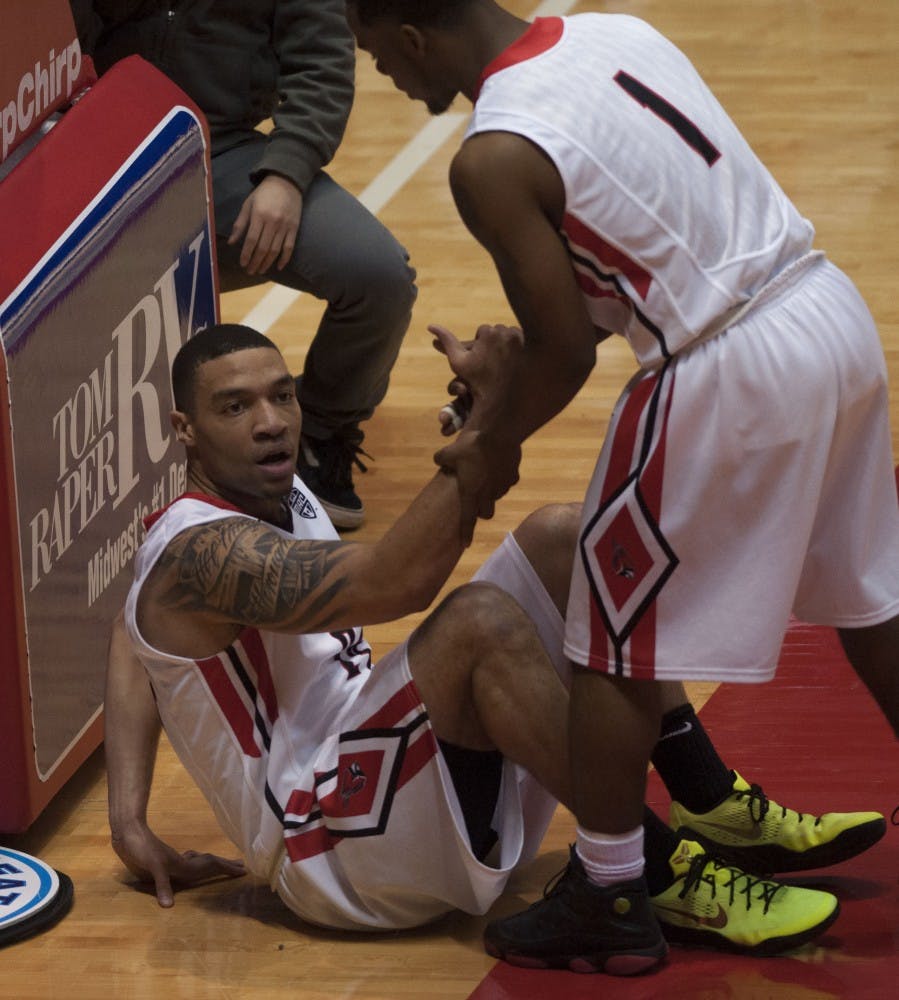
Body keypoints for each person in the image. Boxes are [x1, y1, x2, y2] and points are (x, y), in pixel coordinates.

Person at [344, 0, 899, 974]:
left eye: (376, 54)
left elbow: (564, 347)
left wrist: (485, 444)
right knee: (869, 594)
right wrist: (500, 367)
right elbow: (615, 254)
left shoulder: (487, 157)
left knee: (604, 642)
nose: (383, 77)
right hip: (824, 315)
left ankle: (607, 891)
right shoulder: (609, 30)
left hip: (718, 365)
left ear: (411, 35)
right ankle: (692, 820)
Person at [106, 323, 883, 970]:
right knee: (476, 622)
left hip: (372, 777)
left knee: (561, 540)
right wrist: (490, 419)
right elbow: (394, 583)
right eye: (235, 406)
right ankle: (654, 871)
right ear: (186, 430)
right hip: (319, 850)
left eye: (280, 394)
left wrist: (125, 815)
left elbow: (130, 630)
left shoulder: (260, 495)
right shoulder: (198, 558)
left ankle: (710, 801)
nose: (270, 421)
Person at [69, 0, 418, 528]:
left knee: (378, 275)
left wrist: (287, 171)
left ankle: (321, 434)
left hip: (226, 154)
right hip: (96, 149)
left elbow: (321, 58)